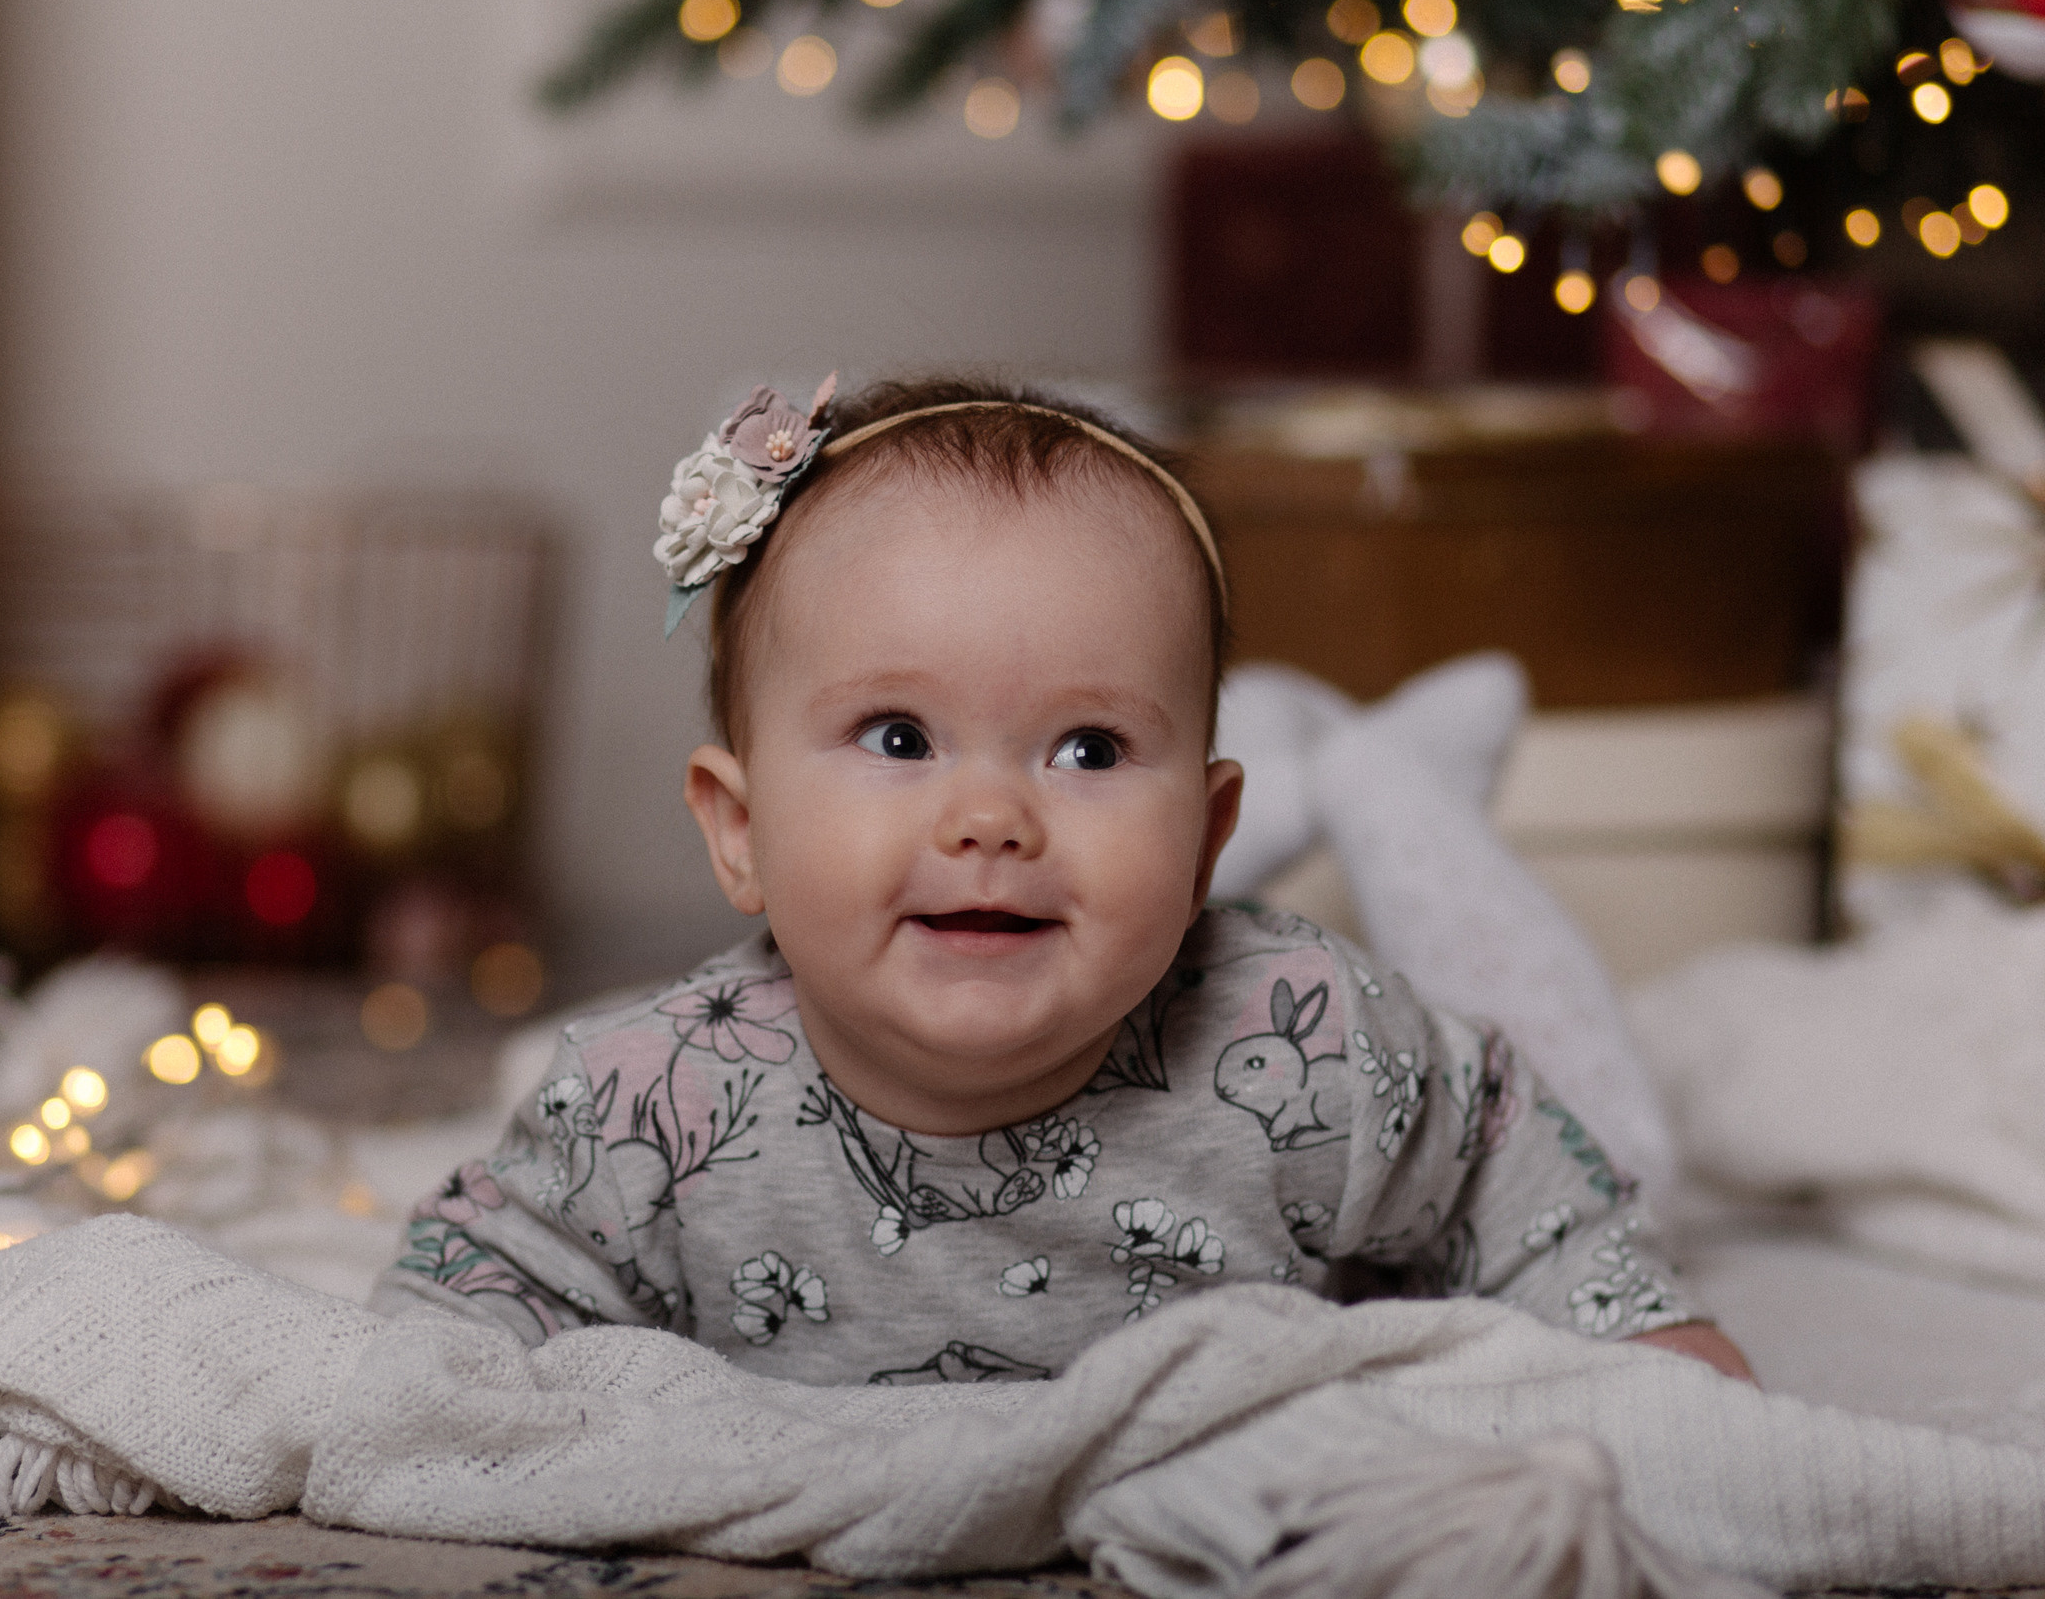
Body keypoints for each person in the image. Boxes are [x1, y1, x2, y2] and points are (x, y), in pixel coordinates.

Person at [371, 375, 1751, 1386]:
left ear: (1208, 840)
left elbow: (1510, 1170)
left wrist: (1635, 1332)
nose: (991, 818)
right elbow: (467, 1298)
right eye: (898, 737)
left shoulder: (1304, 1037)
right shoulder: (652, 1103)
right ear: (740, 832)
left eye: (1089, 748)